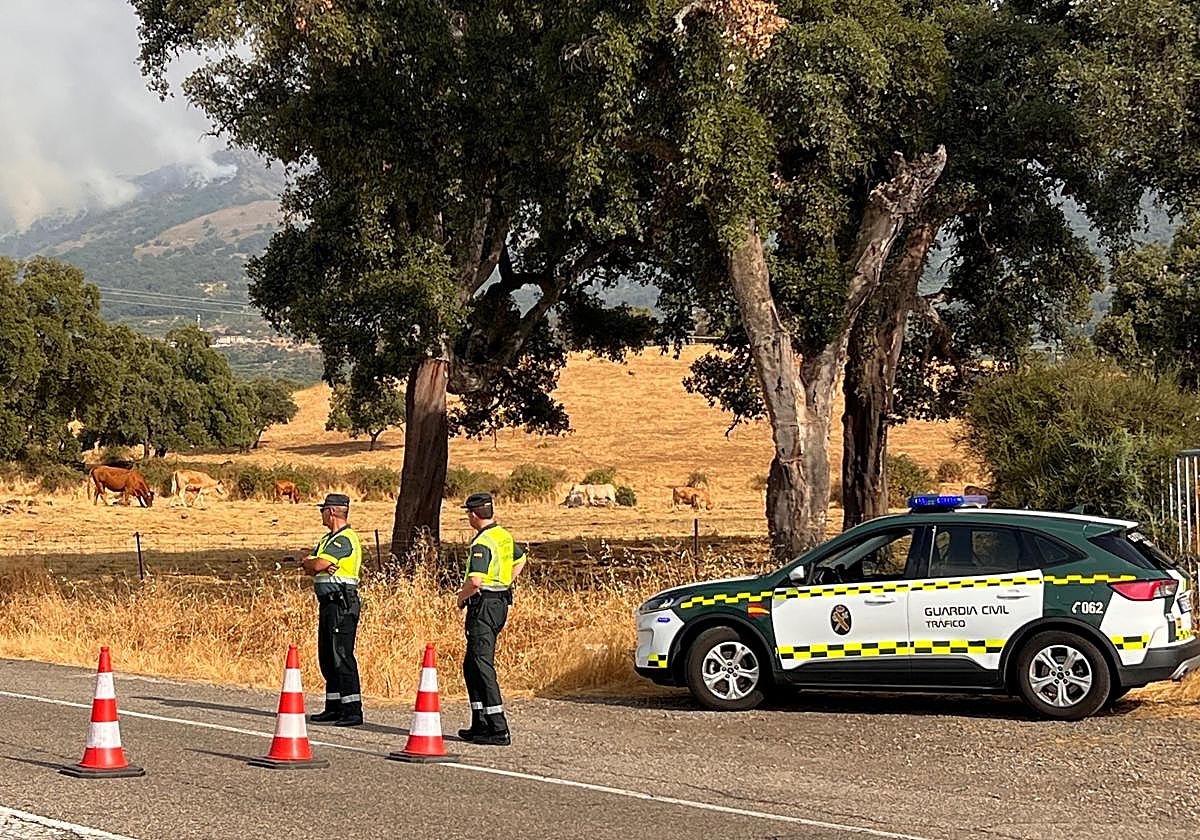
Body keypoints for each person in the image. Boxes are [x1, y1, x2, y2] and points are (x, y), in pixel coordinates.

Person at [456, 491, 526, 746]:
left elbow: (475, 580)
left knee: (481, 664)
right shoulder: (503, 535)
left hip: (484, 605)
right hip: (499, 603)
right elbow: (520, 559)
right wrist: (506, 581)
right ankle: (480, 722)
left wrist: (461, 597)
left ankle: (498, 728)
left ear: (473, 515)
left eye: (468, 514)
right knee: (471, 664)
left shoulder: (483, 542)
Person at [300, 493, 364, 727]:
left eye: (323, 510)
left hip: (342, 603)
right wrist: (314, 564)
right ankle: (334, 706)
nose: (321, 514)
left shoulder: (344, 539)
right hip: (327, 603)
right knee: (327, 656)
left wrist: (315, 563)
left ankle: (352, 710)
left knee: (341, 655)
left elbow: (315, 564)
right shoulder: (327, 540)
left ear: (333, 512)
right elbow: (313, 567)